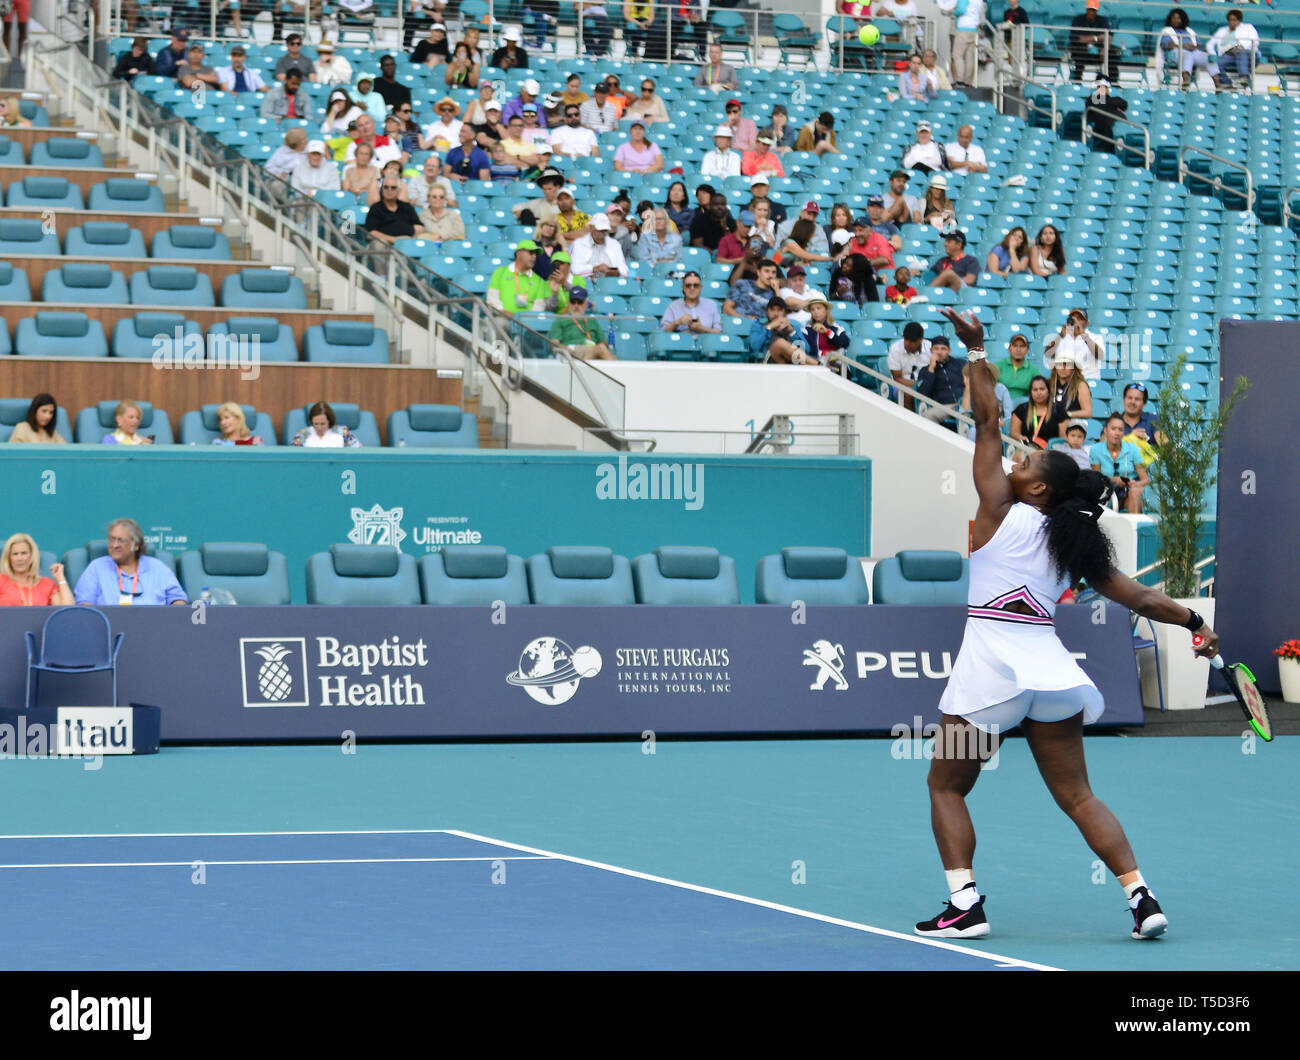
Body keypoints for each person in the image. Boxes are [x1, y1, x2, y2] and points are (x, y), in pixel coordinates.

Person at [915, 305, 1214, 944]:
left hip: (988, 680)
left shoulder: (997, 508)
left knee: (945, 785)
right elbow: (1142, 599)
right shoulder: (1076, 547)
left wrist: (974, 351)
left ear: (1040, 491)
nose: (1016, 464)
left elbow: (989, 420)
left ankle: (964, 903)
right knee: (1078, 796)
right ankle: (1141, 897)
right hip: (1050, 680)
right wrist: (1195, 621)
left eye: (1027, 466)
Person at [74, 518, 187, 607]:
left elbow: (178, 600)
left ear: (136, 545)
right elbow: (85, 604)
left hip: (155, 629)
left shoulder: (157, 567)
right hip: (109, 631)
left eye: (121, 540)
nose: (115, 545)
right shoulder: (96, 567)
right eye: (112, 539)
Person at [1090, 414, 1148, 513]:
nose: (1117, 433)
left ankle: (1134, 527)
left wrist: (1134, 484)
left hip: (1127, 494)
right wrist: (1115, 480)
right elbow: (1096, 479)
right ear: (1105, 430)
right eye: (1113, 429)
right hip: (1105, 494)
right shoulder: (1096, 449)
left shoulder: (1132, 449)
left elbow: (1145, 480)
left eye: (1120, 430)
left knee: (1134, 492)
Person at [0, 533, 73, 607]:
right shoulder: (1, 580)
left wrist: (61, 579)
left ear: (32, 556)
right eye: (15, 554)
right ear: (9, 558)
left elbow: (67, 611)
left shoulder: (46, 584)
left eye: (24, 553)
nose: (20, 558)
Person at [548, 287, 616, 360]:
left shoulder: (591, 320)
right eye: (573, 302)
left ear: (586, 304)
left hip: (592, 351)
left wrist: (602, 345)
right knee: (601, 349)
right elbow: (553, 343)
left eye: (580, 302)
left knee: (600, 349)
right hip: (571, 351)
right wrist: (565, 349)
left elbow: (604, 342)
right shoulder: (561, 319)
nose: (576, 306)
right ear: (569, 303)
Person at [916, 334, 967, 424]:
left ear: (949, 351)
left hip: (965, 403)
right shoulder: (925, 371)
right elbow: (922, 395)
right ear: (931, 351)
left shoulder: (961, 364)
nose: (939, 352)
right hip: (945, 407)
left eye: (943, 349)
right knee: (929, 415)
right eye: (936, 349)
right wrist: (931, 368)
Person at [958, 360, 1013, 440]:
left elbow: (1009, 417)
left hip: (998, 427)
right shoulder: (970, 390)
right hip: (975, 427)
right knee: (973, 432)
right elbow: (963, 417)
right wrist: (967, 389)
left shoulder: (1001, 389)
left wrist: (997, 424)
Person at [1043, 308, 1102, 381]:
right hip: (1067, 381)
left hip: (1088, 380)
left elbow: (1100, 355)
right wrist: (1060, 336)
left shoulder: (1096, 337)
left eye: (1079, 319)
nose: (1076, 321)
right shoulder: (1062, 337)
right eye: (1073, 318)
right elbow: (1047, 354)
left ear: (1087, 323)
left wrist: (1082, 333)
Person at [749, 296, 812, 365]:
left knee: (785, 346)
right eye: (772, 310)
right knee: (780, 343)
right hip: (768, 360)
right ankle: (818, 365)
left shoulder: (792, 326)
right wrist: (769, 327)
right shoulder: (759, 325)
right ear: (767, 312)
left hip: (790, 362)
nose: (776, 313)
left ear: (785, 312)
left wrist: (792, 331)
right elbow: (755, 347)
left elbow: (806, 350)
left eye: (779, 310)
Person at [1070, 0, 1119, 84]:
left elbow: (1109, 36)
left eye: (1093, 10)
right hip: (1082, 51)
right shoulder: (1078, 20)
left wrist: (1105, 49)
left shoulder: (1102, 20)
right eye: (1090, 9)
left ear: (1097, 11)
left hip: (1099, 52)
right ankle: (1077, 82)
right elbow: (1077, 39)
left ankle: (1113, 83)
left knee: (1112, 53)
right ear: (1086, 9)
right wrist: (1096, 38)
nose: (1091, 12)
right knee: (1079, 51)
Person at [1010, 374, 1066, 449]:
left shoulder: (1059, 410)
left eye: (1042, 389)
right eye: (1035, 390)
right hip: (1026, 449)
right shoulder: (1021, 409)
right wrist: (1020, 437)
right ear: (1030, 393)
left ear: (1048, 391)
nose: (1038, 393)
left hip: (1051, 451)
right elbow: (1014, 432)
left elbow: (1063, 438)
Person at [1208, 8, 1259, 90]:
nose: (1232, 22)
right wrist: (1213, 54)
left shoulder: (1248, 27)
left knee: (1241, 52)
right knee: (1215, 63)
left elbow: (1255, 42)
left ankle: (1244, 77)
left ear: (1239, 20)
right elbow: (1210, 44)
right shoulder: (1222, 30)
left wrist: (1240, 47)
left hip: (1246, 53)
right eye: (1230, 20)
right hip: (1229, 54)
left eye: (1234, 20)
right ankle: (1227, 84)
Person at [1159, 8, 1209, 88]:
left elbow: (1199, 45)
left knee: (1209, 58)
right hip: (1174, 54)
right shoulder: (1167, 31)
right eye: (1173, 18)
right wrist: (1183, 46)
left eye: (1178, 18)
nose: (1176, 20)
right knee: (1187, 54)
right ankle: (1186, 79)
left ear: (1183, 19)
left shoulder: (1190, 31)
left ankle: (1219, 83)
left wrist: (1194, 47)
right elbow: (1167, 44)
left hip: (1193, 52)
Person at [365, 174, 423, 244]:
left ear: (398, 190)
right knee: (379, 244)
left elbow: (419, 226)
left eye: (393, 187)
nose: (389, 190)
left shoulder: (407, 207)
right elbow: (372, 232)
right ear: (382, 190)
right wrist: (394, 239)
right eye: (386, 187)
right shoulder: (376, 208)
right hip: (383, 243)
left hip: (405, 241)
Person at [939, 0, 985, 86]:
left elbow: (960, 10)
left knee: (957, 56)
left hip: (962, 28)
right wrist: (981, 28)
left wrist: (952, 10)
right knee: (969, 57)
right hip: (974, 29)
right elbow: (981, 15)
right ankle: (968, 82)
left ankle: (959, 80)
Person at [570, 214, 629, 278]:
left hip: (609, 282)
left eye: (605, 230)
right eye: (599, 230)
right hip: (585, 282)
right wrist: (595, 268)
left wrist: (617, 272)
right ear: (591, 227)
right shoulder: (578, 244)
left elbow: (624, 270)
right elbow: (574, 270)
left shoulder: (615, 244)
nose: (602, 233)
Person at [888, 321, 932, 405]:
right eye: (906, 339)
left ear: (921, 340)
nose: (908, 343)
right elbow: (897, 379)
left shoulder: (930, 347)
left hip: (925, 385)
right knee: (908, 394)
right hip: (901, 386)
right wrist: (919, 386)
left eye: (912, 341)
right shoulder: (895, 348)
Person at [800, 297, 850, 366]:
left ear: (826, 310)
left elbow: (845, 343)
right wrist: (824, 354)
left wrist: (827, 332)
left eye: (819, 308)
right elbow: (807, 349)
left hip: (837, 363)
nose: (816, 312)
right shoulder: (807, 329)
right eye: (812, 309)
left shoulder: (836, 327)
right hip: (818, 364)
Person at [1118, 381, 1164, 452]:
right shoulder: (1114, 421)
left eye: (1137, 399)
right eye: (1129, 398)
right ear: (1124, 400)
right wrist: (1130, 438)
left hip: (1148, 462)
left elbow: (1165, 446)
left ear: (1144, 404)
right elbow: (1103, 450)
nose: (1132, 402)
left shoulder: (1152, 420)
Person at [992, 333, 1037, 403]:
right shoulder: (998, 366)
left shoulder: (1033, 370)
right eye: (1015, 346)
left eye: (1022, 346)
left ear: (1027, 350)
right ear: (1009, 349)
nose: (1018, 349)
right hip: (1000, 404)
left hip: (1024, 406)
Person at [1050, 354, 1094, 423]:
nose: (1063, 368)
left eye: (1067, 365)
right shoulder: (1049, 384)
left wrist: (1068, 414)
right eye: (1060, 365)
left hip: (1072, 424)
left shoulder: (1081, 385)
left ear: (1074, 368)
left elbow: (1088, 412)